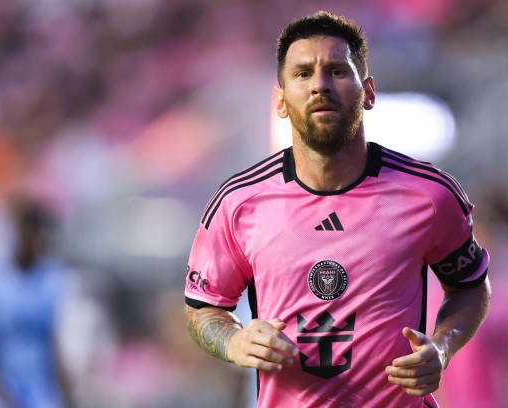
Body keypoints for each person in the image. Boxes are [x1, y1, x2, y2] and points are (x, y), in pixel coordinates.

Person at [184, 10, 491, 407]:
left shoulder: (429, 195)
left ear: (369, 92)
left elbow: (470, 287)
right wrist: (234, 341)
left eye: (337, 71)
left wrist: (443, 347)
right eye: (303, 74)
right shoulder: (238, 204)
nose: (320, 85)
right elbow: (204, 309)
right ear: (281, 101)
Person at [0, 196, 75, 408]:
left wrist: (68, 397)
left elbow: (55, 344)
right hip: (0, 394)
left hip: (42, 394)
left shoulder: (51, 278)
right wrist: (7, 400)